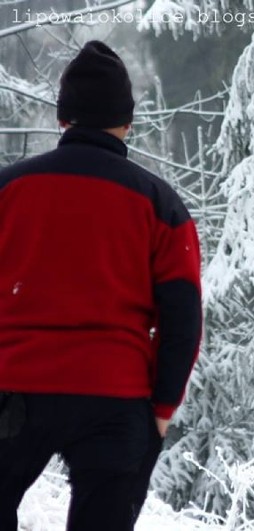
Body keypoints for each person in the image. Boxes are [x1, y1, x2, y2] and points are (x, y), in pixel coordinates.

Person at [0, 41, 202, 530]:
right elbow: (183, 318)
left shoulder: (8, 189)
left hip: (13, 387)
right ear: (127, 122)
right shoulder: (161, 204)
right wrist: (162, 408)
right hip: (114, 396)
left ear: (63, 117)